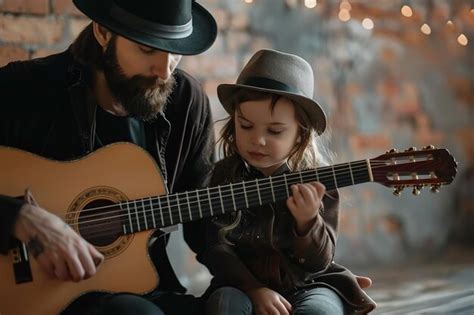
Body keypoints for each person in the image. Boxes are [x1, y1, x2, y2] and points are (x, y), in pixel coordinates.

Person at [0, 0, 217, 314]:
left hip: (145, 286)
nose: (164, 69)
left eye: (175, 51)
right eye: (147, 49)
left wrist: (252, 279)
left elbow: (206, 225)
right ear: (103, 32)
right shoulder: (25, 89)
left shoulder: (186, 101)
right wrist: (19, 218)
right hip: (45, 297)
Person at [198, 49, 377, 314]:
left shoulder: (318, 180)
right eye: (246, 126)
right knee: (224, 306)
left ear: (300, 134)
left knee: (320, 312)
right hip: (239, 284)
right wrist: (253, 289)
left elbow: (318, 262)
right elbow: (214, 247)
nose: (257, 140)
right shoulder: (222, 175)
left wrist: (308, 223)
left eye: (274, 131)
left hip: (309, 282)